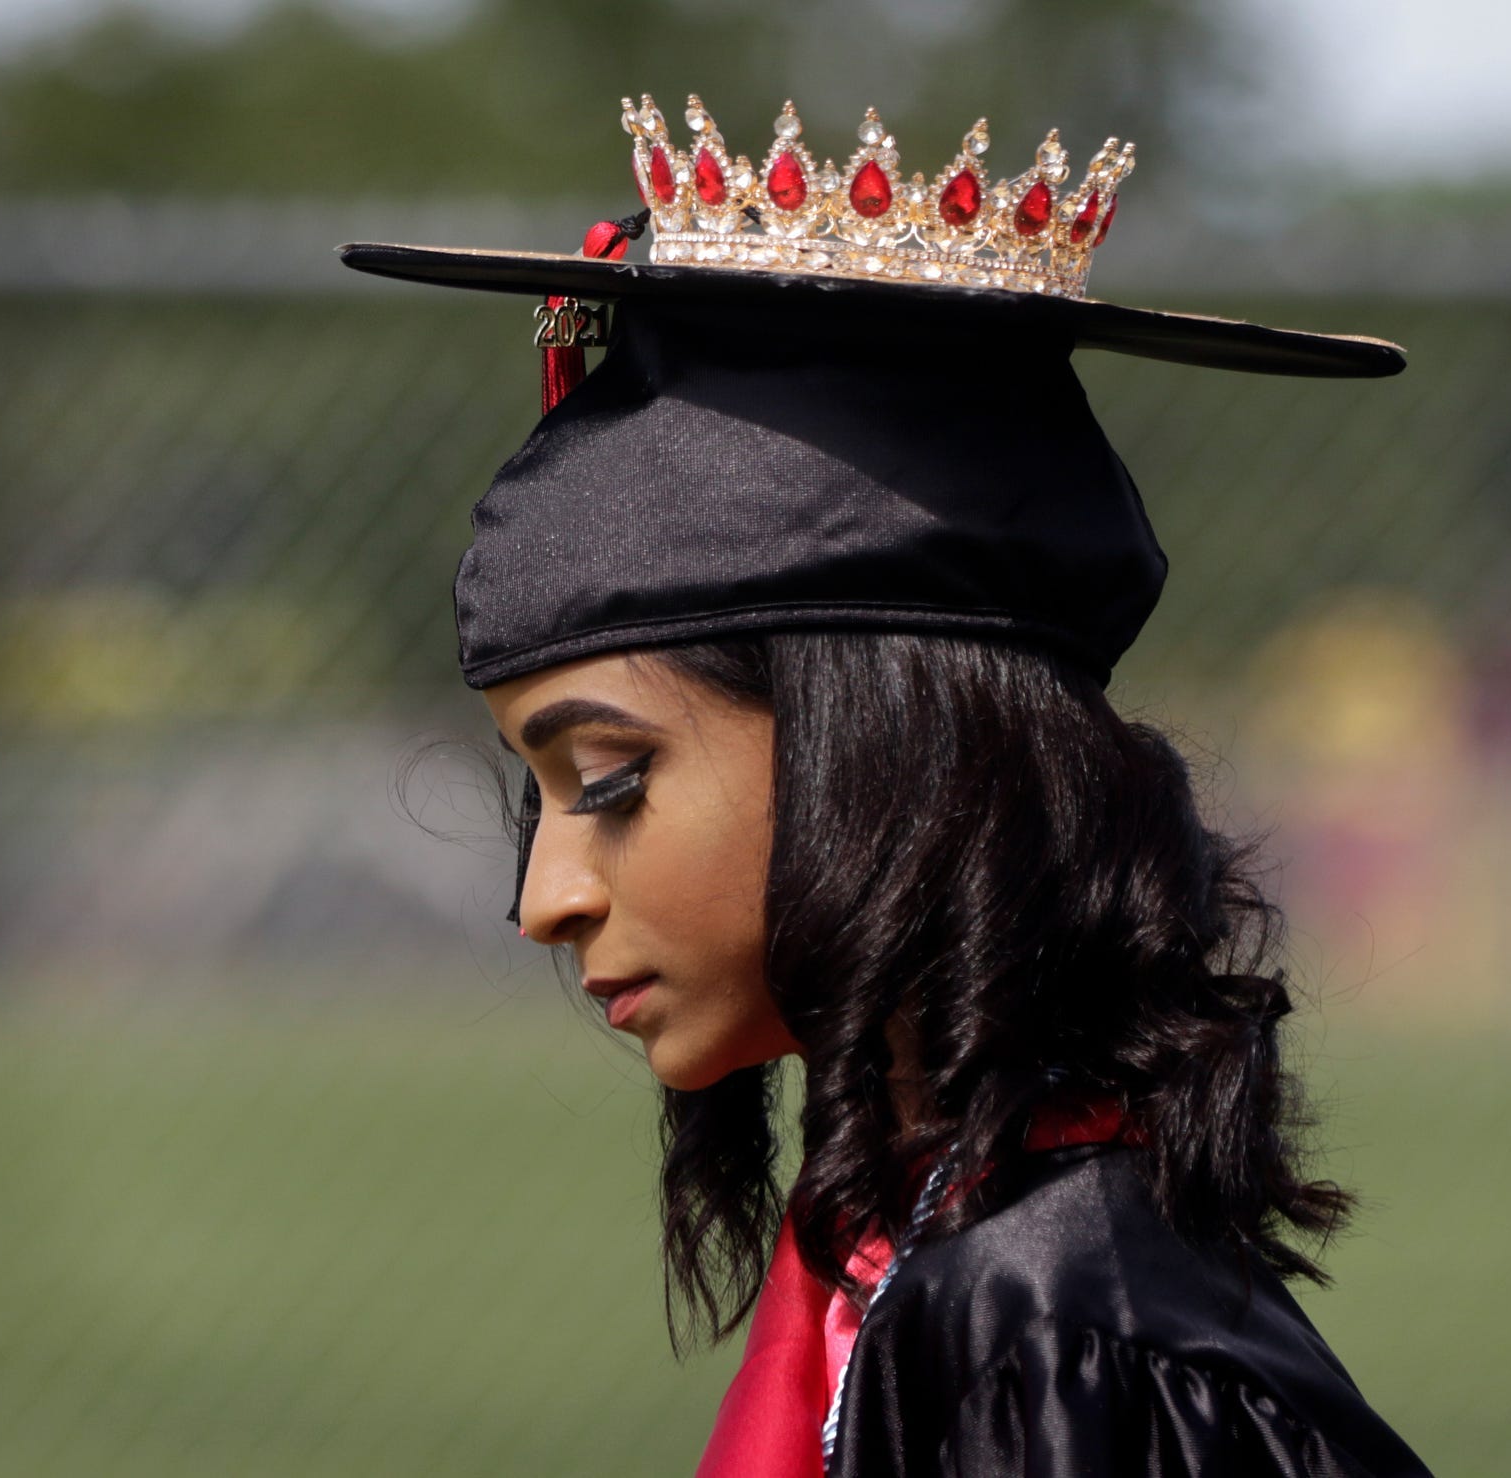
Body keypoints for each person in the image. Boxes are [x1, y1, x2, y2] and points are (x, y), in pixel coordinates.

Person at [344, 93, 1432, 1477]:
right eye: (539, 801)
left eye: (611, 780)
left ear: (891, 766)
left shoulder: (1050, 1344)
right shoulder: (925, 1248)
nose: (544, 900)